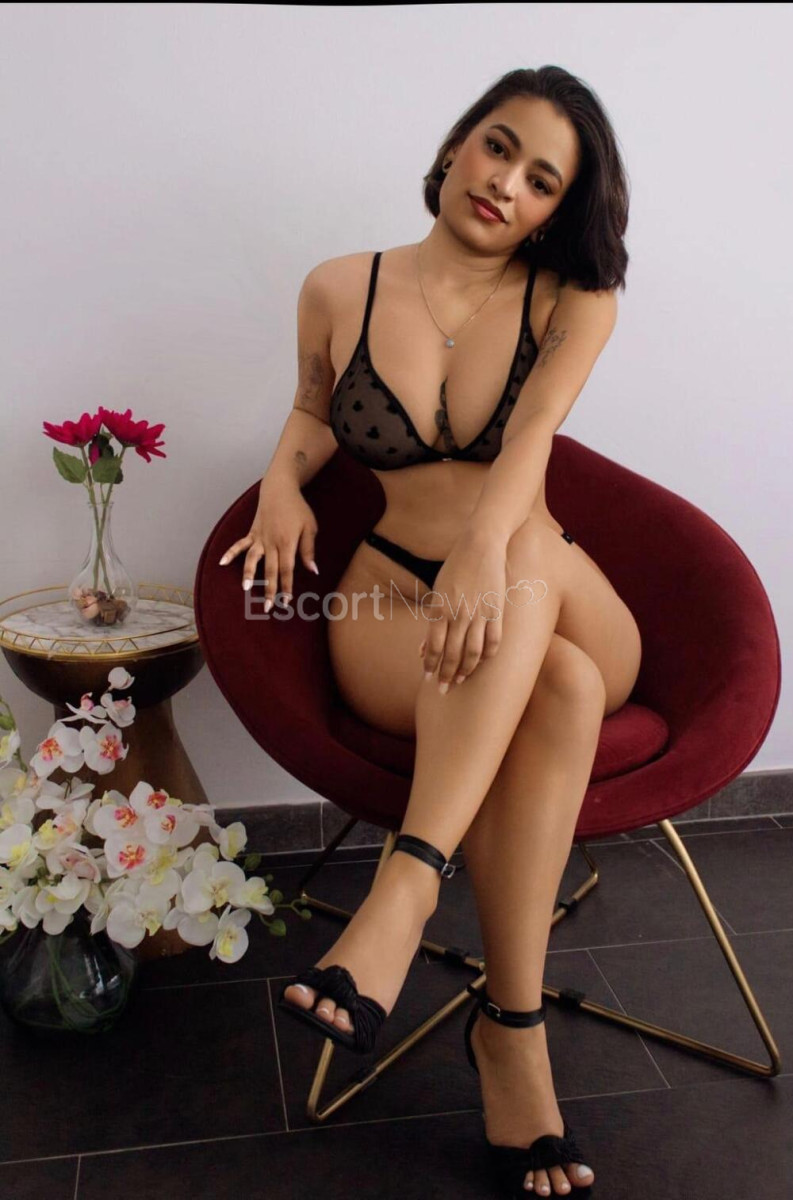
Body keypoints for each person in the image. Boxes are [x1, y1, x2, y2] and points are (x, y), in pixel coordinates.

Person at [220, 65, 641, 1199]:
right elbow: (313, 408)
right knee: (554, 685)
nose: (507, 183)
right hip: (389, 600)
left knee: (528, 577)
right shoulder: (337, 286)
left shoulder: (571, 301)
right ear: (458, 143)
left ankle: (403, 889)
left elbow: (532, 439)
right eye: (497, 146)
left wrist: (484, 555)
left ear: (557, 210)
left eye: (542, 179)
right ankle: (512, 1033)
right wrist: (281, 482)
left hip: (543, 575)